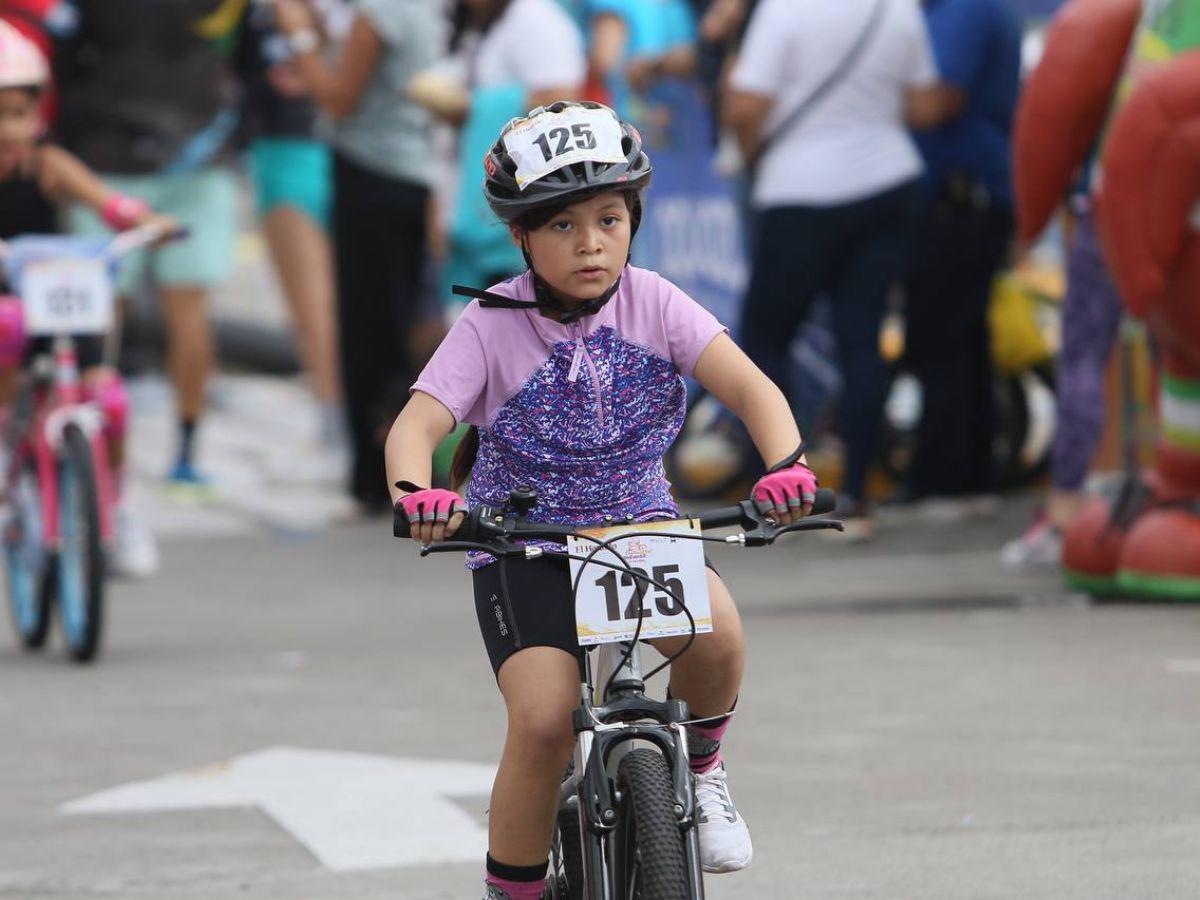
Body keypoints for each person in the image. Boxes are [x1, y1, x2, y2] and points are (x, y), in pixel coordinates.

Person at [385, 101, 820, 900]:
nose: (590, 243)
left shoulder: (655, 301)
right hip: (523, 538)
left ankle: (705, 764)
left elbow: (754, 390)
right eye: (561, 227)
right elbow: (415, 428)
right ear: (520, 236)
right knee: (546, 718)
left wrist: (786, 467)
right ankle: (512, 891)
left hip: (639, 524)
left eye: (609, 219)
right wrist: (420, 495)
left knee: (718, 642)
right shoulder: (487, 324)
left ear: (634, 220)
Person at [723, 0, 951, 539]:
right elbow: (923, 106)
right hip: (884, 183)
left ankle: (775, 484)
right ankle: (857, 492)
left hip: (798, 192)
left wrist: (757, 158)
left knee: (764, 341)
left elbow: (746, 107)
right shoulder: (897, 10)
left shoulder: (783, 12)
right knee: (861, 340)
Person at [0, 20, 174, 576]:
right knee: (4, 322)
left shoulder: (47, 165)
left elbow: (109, 204)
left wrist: (143, 221)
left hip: (57, 307)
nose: (11, 129)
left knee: (112, 401)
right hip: (10, 315)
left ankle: (114, 505)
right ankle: (5, 438)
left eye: (21, 113)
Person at [55, 0, 240, 496]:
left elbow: (66, 55)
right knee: (187, 308)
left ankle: (94, 463)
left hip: (112, 153)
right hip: (196, 151)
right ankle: (183, 456)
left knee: (99, 316)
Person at [272, 0, 439, 513]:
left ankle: (378, 477)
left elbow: (339, 99)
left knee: (371, 335)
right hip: (408, 175)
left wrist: (299, 38)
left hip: (374, 177)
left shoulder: (379, 13)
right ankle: (399, 471)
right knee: (396, 325)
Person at [903, 0, 1022, 515]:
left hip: (959, 197)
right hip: (966, 195)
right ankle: (970, 473)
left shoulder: (964, 11)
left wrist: (865, 102)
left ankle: (946, 477)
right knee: (962, 339)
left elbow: (939, 101)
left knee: (942, 338)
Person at [235, 1, 344, 463]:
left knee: (312, 302)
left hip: (292, 150)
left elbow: (294, 74)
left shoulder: (279, 12)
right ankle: (340, 416)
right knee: (327, 299)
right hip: (330, 149)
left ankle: (336, 420)